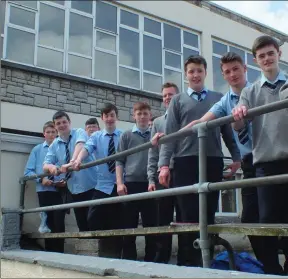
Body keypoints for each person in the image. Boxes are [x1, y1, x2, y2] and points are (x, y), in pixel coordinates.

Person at [157, 55, 241, 267]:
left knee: (209, 213)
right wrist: (164, 165)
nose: (195, 75)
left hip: (212, 160)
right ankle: (187, 265)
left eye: (199, 71)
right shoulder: (177, 100)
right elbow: (170, 135)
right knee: (187, 215)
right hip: (184, 162)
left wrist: (237, 157)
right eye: (191, 71)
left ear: (205, 73)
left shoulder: (218, 98)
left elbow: (228, 133)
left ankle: (207, 264)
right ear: (186, 75)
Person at [181, 52, 262, 261]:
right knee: (250, 218)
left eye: (236, 69)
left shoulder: (259, 90)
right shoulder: (225, 101)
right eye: (227, 71)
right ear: (223, 76)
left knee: (276, 214)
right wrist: (164, 135)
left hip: (271, 157)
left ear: (245, 69)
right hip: (250, 162)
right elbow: (201, 121)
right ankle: (270, 265)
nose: (232, 74)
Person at [232, 35, 287, 275]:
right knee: (267, 222)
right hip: (265, 163)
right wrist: (239, 114)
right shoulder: (250, 92)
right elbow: (237, 127)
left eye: (270, 53)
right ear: (256, 61)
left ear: (279, 55)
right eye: (261, 56)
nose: (267, 59)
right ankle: (272, 268)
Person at [72, 103, 123, 258]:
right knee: (93, 217)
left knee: (119, 220)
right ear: (102, 118)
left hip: (119, 184)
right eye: (106, 116)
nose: (109, 119)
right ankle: (103, 247)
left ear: (116, 117)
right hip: (102, 185)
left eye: (112, 115)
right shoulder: (96, 136)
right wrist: (78, 160)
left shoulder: (123, 135)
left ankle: (116, 252)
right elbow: (87, 148)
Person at [147, 82, 184, 265]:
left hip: (183, 171)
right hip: (163, 175)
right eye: (164, 96)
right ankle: (162, 259)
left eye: (171, 94)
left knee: (185, 217)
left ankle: (186, 259)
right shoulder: (158, 122)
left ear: (178, 97)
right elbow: (152, 153)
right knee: (163, 218)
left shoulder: (184, 117)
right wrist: (151, 178)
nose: (168, 98)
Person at [116, 102, 157, 262]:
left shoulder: (155, 134)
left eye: (145, 113)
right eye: (139, 113)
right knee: (128, 226)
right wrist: (120, 183)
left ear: (150, 115)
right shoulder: (126, 136)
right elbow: (119, 161)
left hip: (150, 185)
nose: (142, 116)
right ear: (134, 116)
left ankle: (151, 261)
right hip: (130, 185)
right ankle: (128, 261)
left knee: (151, 227)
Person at [43, 111, 97, 232]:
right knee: (82, 225)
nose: (62, 125)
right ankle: (86, 250)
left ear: (69, 122)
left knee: (94, 221)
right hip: (74, 189)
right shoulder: (54, 144)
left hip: (91, 186)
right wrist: (52, 168)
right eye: (58, 123)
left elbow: (80, 145)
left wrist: (71, 162)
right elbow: (45, 165)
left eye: (64, 122)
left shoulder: (79, 132)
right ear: (55, 126)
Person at [24, 121, 65, 253]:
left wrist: (63, 181)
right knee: (47, 224)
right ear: (44, 134)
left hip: (59, 190)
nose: (51, 134)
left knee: (59, 223)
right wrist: (41, 179)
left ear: (57, 133)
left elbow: (66, 169)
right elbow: (28, 172)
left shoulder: (61, 148)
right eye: (48, 132)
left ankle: (60, 253)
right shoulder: (37, 150)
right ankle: (49, 253)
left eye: (53, 132)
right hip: (44, 191)